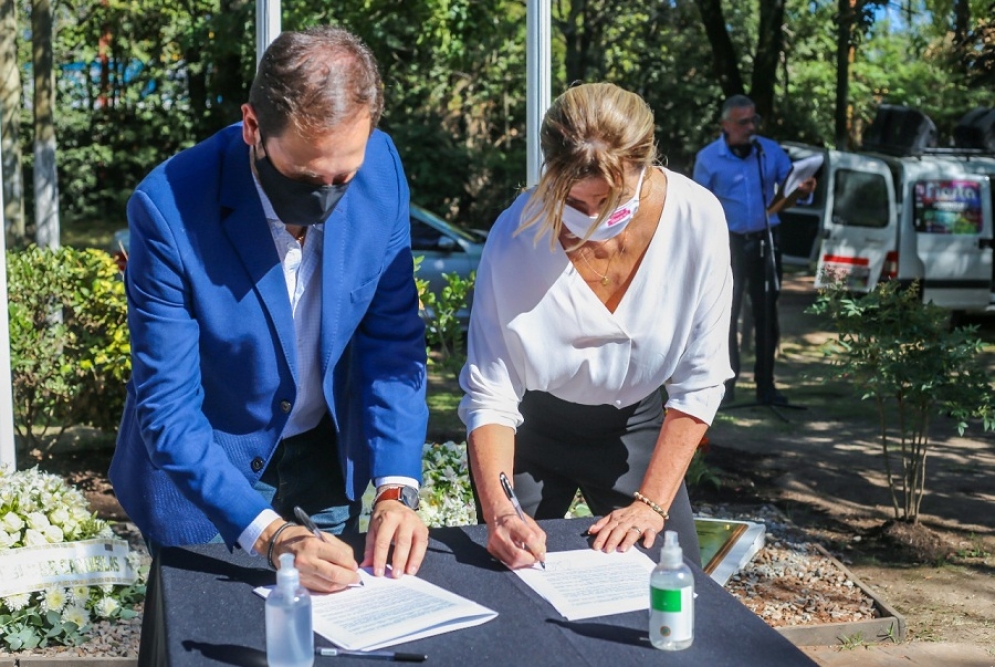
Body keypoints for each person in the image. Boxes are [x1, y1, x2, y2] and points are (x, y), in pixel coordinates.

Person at [109, 26, 430, 592]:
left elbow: (393, 342)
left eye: (342, 178)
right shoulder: (167, 211)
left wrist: (396, 487)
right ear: (253, 127)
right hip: (205, 478)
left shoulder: (383, 170)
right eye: (305, 177)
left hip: (323, 457)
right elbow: (168, 410)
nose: (325, 196)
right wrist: (270, 534)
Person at [458, 83, 733, 569]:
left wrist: (650, 504)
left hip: (638, 426)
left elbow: (700, 379)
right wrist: (501, 512)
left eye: (609, 201)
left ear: (645, 166)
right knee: (511, 577)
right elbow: (490, 391)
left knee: (676, 583)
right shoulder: (514, 237)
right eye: (573, 201)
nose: (589, 219)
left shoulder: (697, 218)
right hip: (533, 431)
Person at [693, 94, 815, 406]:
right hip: (728, 243)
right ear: (725, 125)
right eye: (743, 122)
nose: (750, 127)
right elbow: (699, 207)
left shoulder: (768, 151)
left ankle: (766, 387)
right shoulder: (708, 158)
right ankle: (726, 386)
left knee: (766, 314)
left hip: (766, 238)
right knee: (726, 316)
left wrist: (802, 189)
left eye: (753, 120)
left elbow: (790, 185)